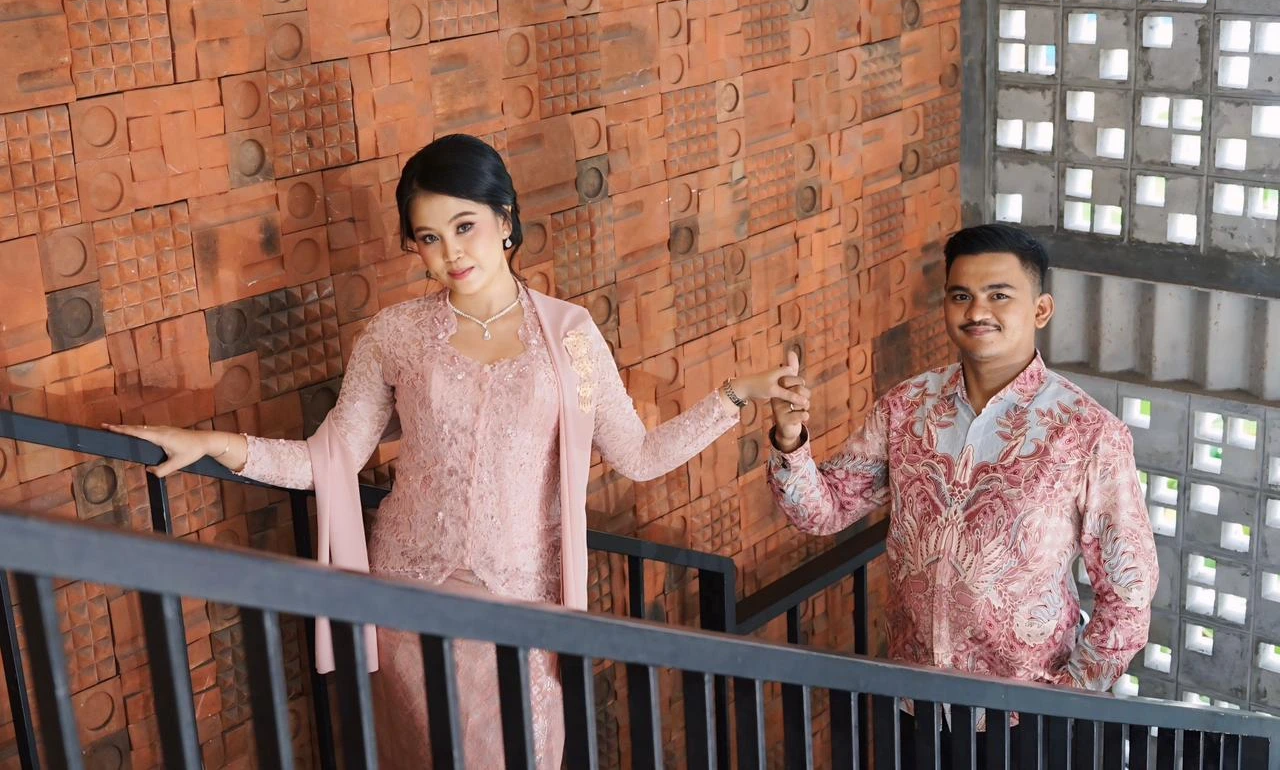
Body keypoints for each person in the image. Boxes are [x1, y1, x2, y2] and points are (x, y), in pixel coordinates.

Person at [106, 134, 806, 768]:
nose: (450, 254)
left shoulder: (571, 335)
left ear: (505, 219)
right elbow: (332, 458)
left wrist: (735, 396)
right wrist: (216, 445)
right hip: (409, 599)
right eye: (428, 237)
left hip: (522, 606)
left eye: (464, 226)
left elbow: (639, 455)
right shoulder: (394, 334)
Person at [764, 223, 1158, 766]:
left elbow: (1129, 593)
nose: (977, 312)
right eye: (961, 296)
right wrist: (790, 439)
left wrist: (1066, 697)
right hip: (913, 701)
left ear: (1041, 309)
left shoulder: (1087, 433)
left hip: (1024, 717)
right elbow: (824, 510)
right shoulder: (906, 407)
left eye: (999, 295)